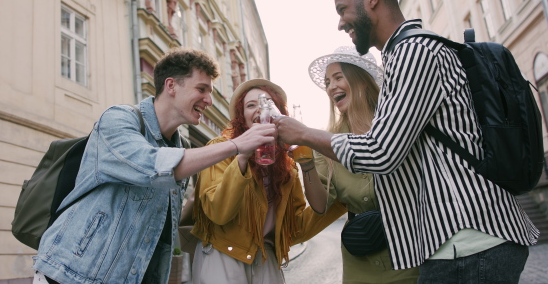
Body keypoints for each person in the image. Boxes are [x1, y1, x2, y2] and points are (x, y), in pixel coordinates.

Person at [275, 0, 539, 283]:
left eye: (343, 9)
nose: (341, 22)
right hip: (456, 245)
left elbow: (380, 152)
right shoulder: (406, 52)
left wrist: (302, 132)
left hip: (468, 243)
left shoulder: (413, 51)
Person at [32, 48, 276, 284]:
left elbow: (161, 234)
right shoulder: (119, 119)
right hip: (69, 274)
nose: (209, 101)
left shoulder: (180, 145)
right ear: (170, 86)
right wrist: (236, 145)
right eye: (201, 89)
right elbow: (152, 165)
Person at [190, 78, 346, 283]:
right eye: (251, 105)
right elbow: (218, 213)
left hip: (266, 258)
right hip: (223, 255)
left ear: (278, 115)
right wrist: (243, 156)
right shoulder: (221, 148)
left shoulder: (287, 165)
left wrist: (343, 199)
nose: (260, 110)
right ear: (241, 116)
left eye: (268, 104)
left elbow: (295, 228)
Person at [299, 45, 418, 283]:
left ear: (362, 80)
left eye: (338, 77)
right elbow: (321, 205)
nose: (331, 86)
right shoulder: (326, 141)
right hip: (360, 259)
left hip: (410, 250)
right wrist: (306, 163)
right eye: (327, 82)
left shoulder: (397, 123)